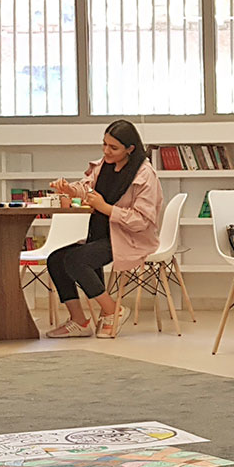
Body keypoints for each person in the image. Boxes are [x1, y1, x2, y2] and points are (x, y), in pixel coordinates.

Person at [44, 120, 162, 339]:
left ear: (130, 149)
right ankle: (79, 321)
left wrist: (106, 208)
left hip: (128, 238)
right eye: (104, 144)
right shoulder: (103, 165)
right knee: (55, 259)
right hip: (100, 235)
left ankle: (113, 311)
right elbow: (86, 186)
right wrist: (69, 189)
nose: (106, 151)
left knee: (76, 260)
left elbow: (142, 220)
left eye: (113, 147)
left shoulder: (145, 175)